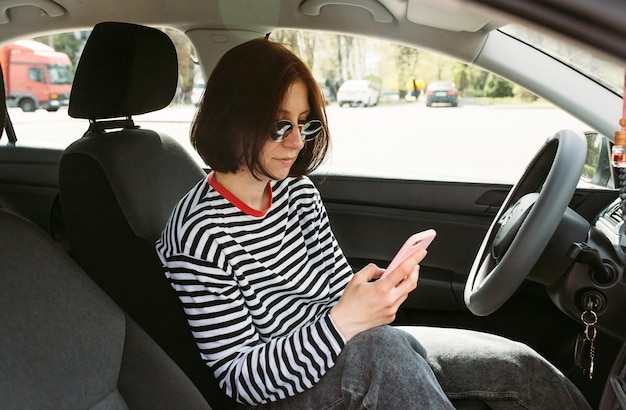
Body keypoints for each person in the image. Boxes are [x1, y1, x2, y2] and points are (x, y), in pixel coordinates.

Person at [156, 37, 590, 409]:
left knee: (514, 364)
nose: (294, 143)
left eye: (304, 125)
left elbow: (330, 291)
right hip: (282, 394)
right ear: (233, 120)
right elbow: (240, 379)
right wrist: (344, 323)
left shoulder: (296, 192)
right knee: (381, 351)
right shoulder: (198, 234)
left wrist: (370, 293)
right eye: (278, 127)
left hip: (346, 346)